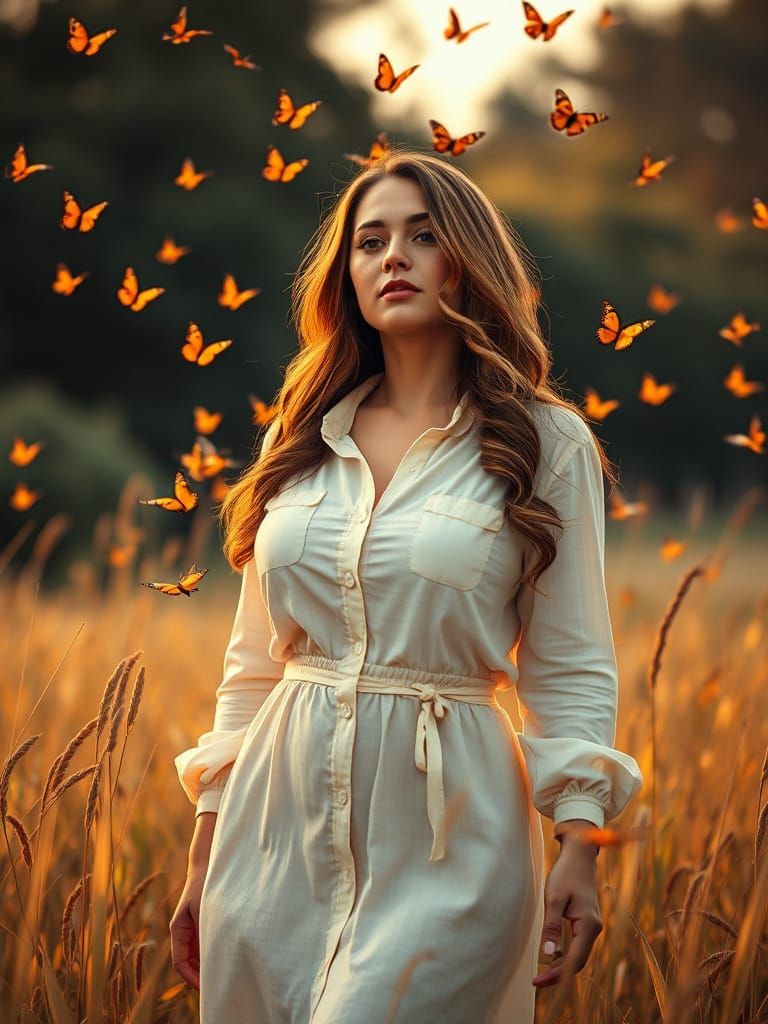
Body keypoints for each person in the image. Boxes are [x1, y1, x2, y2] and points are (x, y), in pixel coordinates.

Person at [170, 147, 644, 1023]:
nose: (393, 256)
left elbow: (571, 664)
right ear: (344, 274)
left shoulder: (546, 441)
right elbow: (252, 667)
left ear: (469, 260)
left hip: (448, 836)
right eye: (370, 241)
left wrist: (581, 841)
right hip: (271, 838)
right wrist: (205, 854)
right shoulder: (304, 433)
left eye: (423, 237)